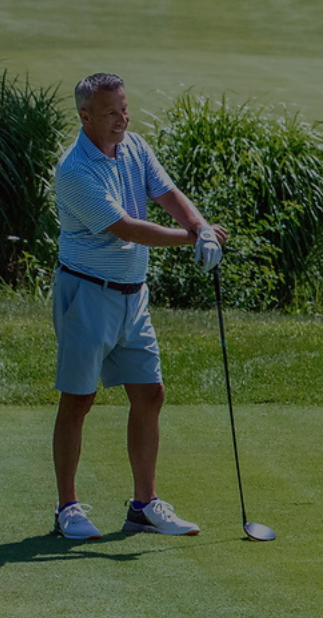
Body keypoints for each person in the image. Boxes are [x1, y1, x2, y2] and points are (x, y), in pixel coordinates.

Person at [50, 73, 227, 540]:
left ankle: (144, 505)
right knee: (79, 399)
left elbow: (167, 194)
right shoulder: (75, 170)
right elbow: (126, 228)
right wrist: (193, 238)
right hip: (87, 293)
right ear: (85, 117)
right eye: (111, 112)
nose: (122, 119)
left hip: (134, 295)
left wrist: (200, 226)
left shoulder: (134, 147)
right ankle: (67, 509)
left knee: (150, 394)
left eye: (125, 109)